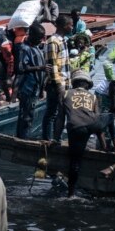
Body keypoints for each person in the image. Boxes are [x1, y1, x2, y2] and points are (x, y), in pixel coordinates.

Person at [64, 70, 110, 196]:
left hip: (76, 127)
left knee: (75, 161)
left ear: (75, 83)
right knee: (109, 118)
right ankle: (107, 148)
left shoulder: (66, 93)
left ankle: (70, 193)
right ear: (87, 85)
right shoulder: (93, 97)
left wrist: (55, 139)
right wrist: (104, 146)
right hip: (91, 126)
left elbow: (59, 119)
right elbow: (98, 121)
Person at [41, 15, 73, 144]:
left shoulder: (62, 40)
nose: (72, 27)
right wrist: (59, 84)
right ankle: (47, 139)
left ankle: (56, 138)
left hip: (64, 82)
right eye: (70, 25)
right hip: (56, 84)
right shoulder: (53, 41)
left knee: (60, 112)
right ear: (64, 26)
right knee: (52, 113)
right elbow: (53, 65)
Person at [15, 24, 46, 140]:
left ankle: (23, 136)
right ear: (31, 35)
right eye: (39, 37)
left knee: (30, 113)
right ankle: (23, 138)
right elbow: (21, 68)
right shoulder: (25, 49)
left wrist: (42, 88)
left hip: (36, 87)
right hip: (28, 87)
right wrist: (40, 68)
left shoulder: (37, 47)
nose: (41, 40)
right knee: (26, 115)